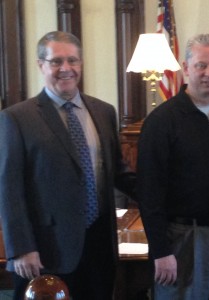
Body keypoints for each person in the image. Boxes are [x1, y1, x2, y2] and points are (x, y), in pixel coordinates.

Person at [0, 31, 135, 300]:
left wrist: (165, 195)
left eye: (72, 60)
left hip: (99, 245)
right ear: (41, 65)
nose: (66, 69)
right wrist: (22, 248)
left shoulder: (104, 111)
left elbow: (118, 172)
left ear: (81, 64)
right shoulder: (17, 118)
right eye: (56, 61)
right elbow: (9, 188)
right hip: (46, 249)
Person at [136, 34, 209, 300]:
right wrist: (160, 251)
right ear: (185, 68)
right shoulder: (161, 122)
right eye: (201, 65)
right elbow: (149, 193)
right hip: (182, 238)